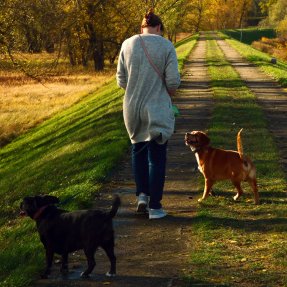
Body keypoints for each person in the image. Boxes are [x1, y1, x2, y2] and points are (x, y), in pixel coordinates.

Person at [116, 9, 180, 219]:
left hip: (132, 108)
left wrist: (136, 89)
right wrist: (165, 93)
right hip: (157, 108)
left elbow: (121, 81)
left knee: (139, 152)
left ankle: (142, 196)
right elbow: (172, 82)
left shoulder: (127, 44)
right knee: (157, 158)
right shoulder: (166, 45)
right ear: (159, 27)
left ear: (141, 27)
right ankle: (155, 208)